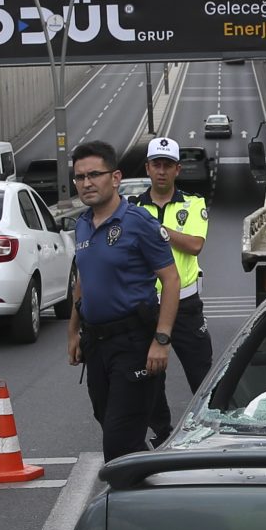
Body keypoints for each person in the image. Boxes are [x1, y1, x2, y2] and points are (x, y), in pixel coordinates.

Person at [63, 140, 180, 461]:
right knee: (110, 424)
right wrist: (74, 332)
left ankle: (128, 505)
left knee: (119, 441)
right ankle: (154, 485)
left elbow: (171, 279)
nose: (86, 183)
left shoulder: (139, 222)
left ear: (115, 178)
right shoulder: (83, 224)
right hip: (96, 344)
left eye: (94, 175)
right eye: (79, 177)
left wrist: (162, 340)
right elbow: (83, 281)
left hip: (134, 343)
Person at [140, 136, 215, 396]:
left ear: (177, 170)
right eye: (157, 165)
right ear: (147, 168)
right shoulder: (132, 208)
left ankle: (210, 431)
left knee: (202, 375)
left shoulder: (193, 203)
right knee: (148, 380)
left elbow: (195, 244)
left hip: (185, 304)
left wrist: (157, 230)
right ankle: (162, 434)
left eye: (168, 165)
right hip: (146, 306)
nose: (162, 171)